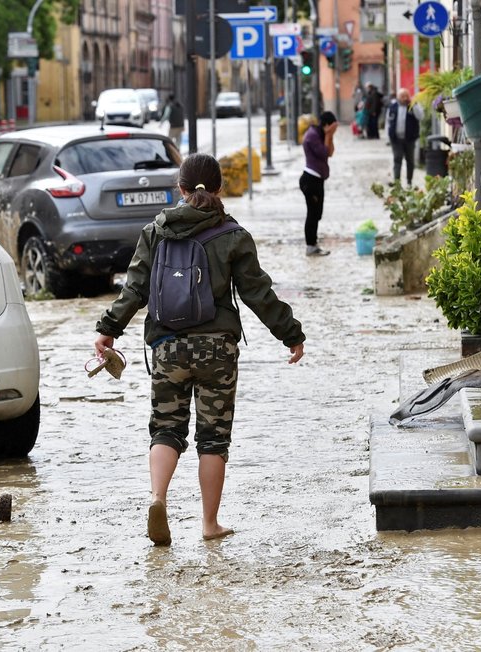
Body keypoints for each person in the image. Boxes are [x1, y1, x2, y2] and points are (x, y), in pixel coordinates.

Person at [94, 153, 306, 546]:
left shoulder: (156, 231)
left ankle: (158, 498)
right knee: (213, 439)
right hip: (217, 351)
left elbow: (135, 289)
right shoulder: (232, 235)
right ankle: (209, 524)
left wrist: (109, 329)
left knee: (166, 429)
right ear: (220, 188)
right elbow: (257, 293)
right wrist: (290, 333)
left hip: (167, 346)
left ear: (180, 188)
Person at [298, 111, 337, 257]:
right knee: (312, 214)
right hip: (310, 180)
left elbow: (331, 152)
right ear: (326, 125)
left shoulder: (320, 134)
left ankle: (313, 244)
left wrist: (330, 135)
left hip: (318, 180)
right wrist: (328, 135)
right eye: (332, 127)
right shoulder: (313, 136)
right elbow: (324, 153)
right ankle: (310, 246)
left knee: (317, 213)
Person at [386, 88, 424, 187]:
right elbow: (388, 122)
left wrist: (413, 104)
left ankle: (409, 181)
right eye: (402, 96)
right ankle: (397, 182)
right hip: (396, 139)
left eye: (406, 96)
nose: (404, 98)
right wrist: (388, 137)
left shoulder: (413, 106)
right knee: (397, 159)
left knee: (410, 160)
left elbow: (420, 117)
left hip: (410, 139)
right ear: (398, 97)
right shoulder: (392, 107)